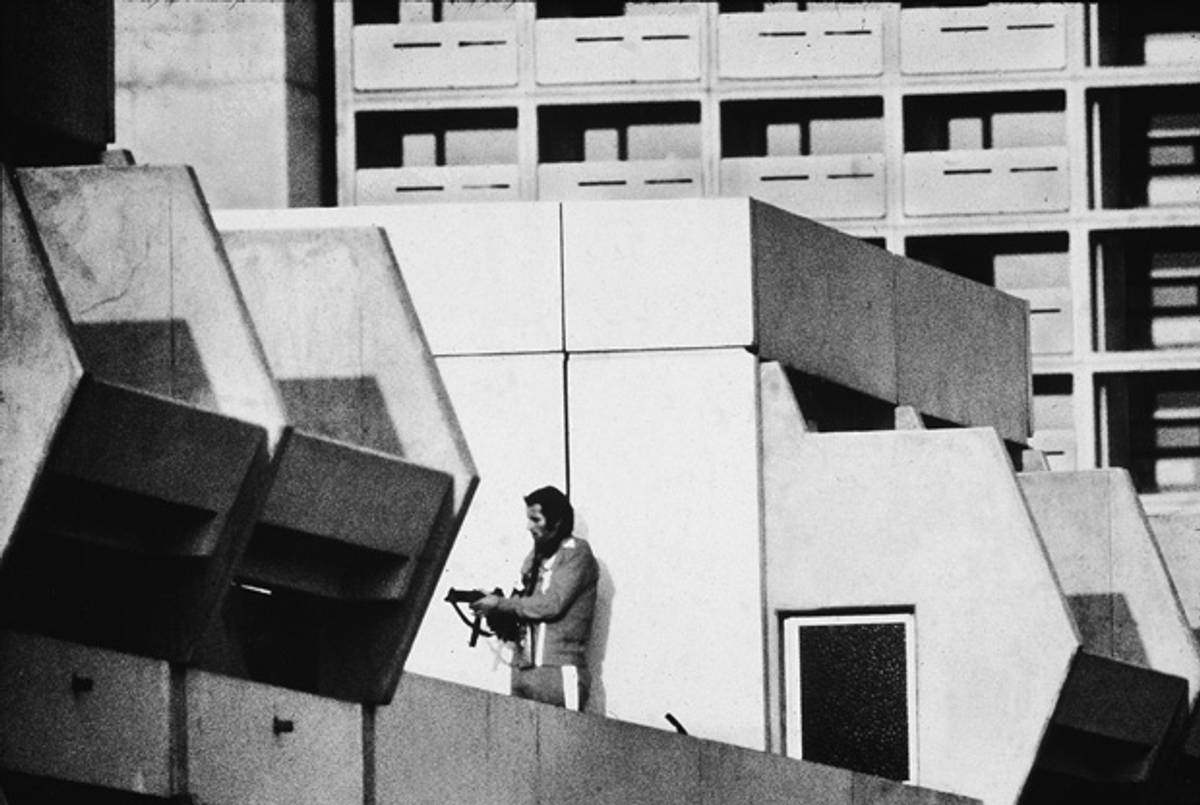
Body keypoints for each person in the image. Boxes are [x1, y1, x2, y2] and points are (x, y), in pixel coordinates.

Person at [471, 485, 598, 711]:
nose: (529, 527)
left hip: (557, 671)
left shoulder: (576, 552)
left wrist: (501, 604)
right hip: (523, 669)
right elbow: (521, 601)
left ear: (557, 522)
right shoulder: (535, 556)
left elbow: (552, 604)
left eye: (536, 520)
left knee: (561, 744)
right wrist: (496, 608)